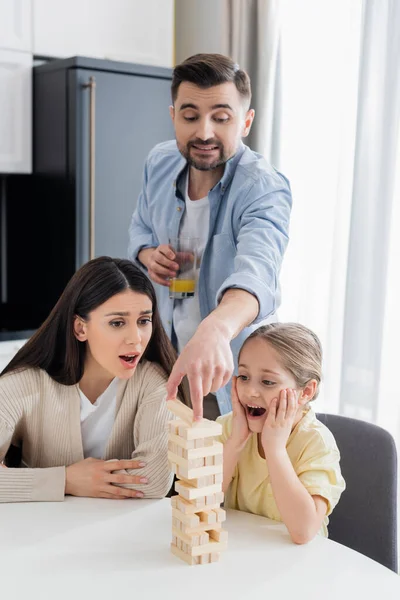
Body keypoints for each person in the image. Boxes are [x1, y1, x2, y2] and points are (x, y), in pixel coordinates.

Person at [128, 53, 292, 421]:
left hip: (233, 375)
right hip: (166, 361)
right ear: (173, 116)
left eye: (221, 118)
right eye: (190, 116)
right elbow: (139, 226)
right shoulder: (159, 162)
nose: (203, 132)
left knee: (227, 475)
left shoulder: (263, 187)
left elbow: (258, 273)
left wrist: (216, 329)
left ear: (246, 121)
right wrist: (146, 253)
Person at [0, 257, 187, 503]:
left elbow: (153, 481)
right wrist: (66, 480)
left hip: (116, 534)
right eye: (117, 323)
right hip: (40, 533)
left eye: (144, 321)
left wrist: (30, 482)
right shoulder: (22, 384)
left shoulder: (155, 382)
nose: (136, 338)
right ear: (80, 328)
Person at [217, 323, 345, 543]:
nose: (250, 391)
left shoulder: (316, 443)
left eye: (267, 382)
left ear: (306, 391)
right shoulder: (231, 428)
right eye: (244, 377)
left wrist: (275, 450)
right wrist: (236, 442)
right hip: (241, 553)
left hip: (297, 564)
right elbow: (200, 503)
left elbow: (303, 532)